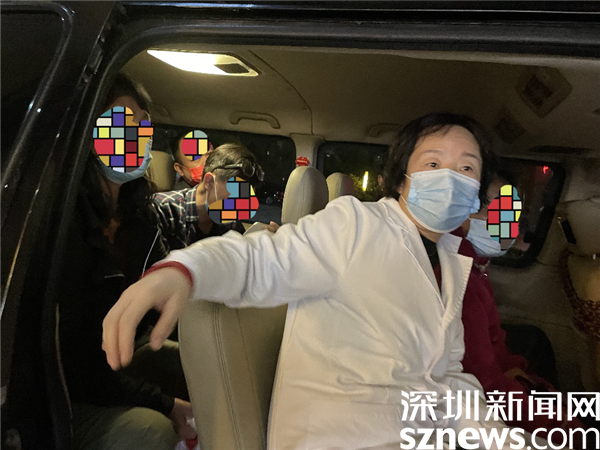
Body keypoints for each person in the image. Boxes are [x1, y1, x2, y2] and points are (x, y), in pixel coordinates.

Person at [103, 113, 528, 449]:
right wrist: (183, 270)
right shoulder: (356, 224)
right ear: (402, 178)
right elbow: (260, 260)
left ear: (477, 192)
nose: (450, 178)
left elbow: (447, 376)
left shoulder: (450, 260)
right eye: (433, 163)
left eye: (466, 168)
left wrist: (504, 440)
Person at [58, 73, 262, 450]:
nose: (137, 137)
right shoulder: (65, 223)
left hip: (125, 347)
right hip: (74, 381)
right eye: (123, 124)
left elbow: (161, 297)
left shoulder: (139, 216)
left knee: (210, 359)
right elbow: (82, 359)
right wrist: (164, 404)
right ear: (87, 132)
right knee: (151, 429)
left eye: (143, 127)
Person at [455, 172, 589, 449]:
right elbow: (485, 382)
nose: (510, 228)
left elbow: (497, 354)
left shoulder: (476, 267)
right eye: (497, 211)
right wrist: (562, 428)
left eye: (511, 214)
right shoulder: (459, 278)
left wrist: (527, 381)